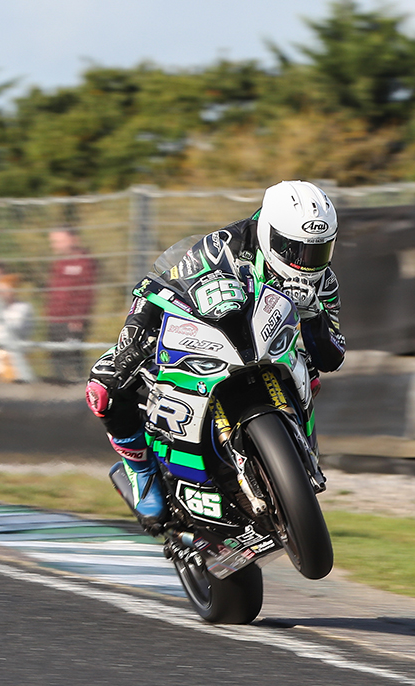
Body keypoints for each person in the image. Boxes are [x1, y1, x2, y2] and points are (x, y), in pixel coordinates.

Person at [85, 180, 346, 528]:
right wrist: (132, 338)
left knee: (312, 378)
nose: (305, 263)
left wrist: (313, 313)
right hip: (208, 342)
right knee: (103, 386)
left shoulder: (323, 281)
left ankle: (298, 454)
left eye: (317, 252)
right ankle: (142, 473)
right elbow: (154, 287)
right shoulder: (219, 247)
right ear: (269, 231)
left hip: (276, 356)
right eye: (294, 250)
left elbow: (333, 356)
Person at [45, 227, 97, 383]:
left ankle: (79, 386)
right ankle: (59, 388)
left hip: (72, 321)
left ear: (73, 239)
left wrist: (78, 318)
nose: (55, 245)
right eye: (53, 242)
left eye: (59, 240)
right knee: (55, 355)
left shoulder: (84, 262)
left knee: (73, 354)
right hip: (55, 318)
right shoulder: (60, 263)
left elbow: (86, 293)